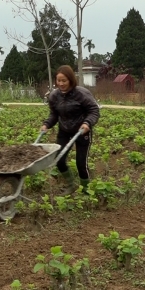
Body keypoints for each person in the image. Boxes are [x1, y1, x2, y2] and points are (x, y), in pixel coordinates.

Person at [40, 65, 101, 195]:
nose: (61, 84)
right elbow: (54, 115)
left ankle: (86, 190)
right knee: (59, 159)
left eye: (64, 81)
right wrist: (47, 124)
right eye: (59, 81)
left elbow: (94, 110)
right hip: (64, 130)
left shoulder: (82, 94)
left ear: (71, 80)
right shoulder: (54, 96)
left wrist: (87, 123)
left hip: (82, 131)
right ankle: (71, 185)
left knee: (80, 163)